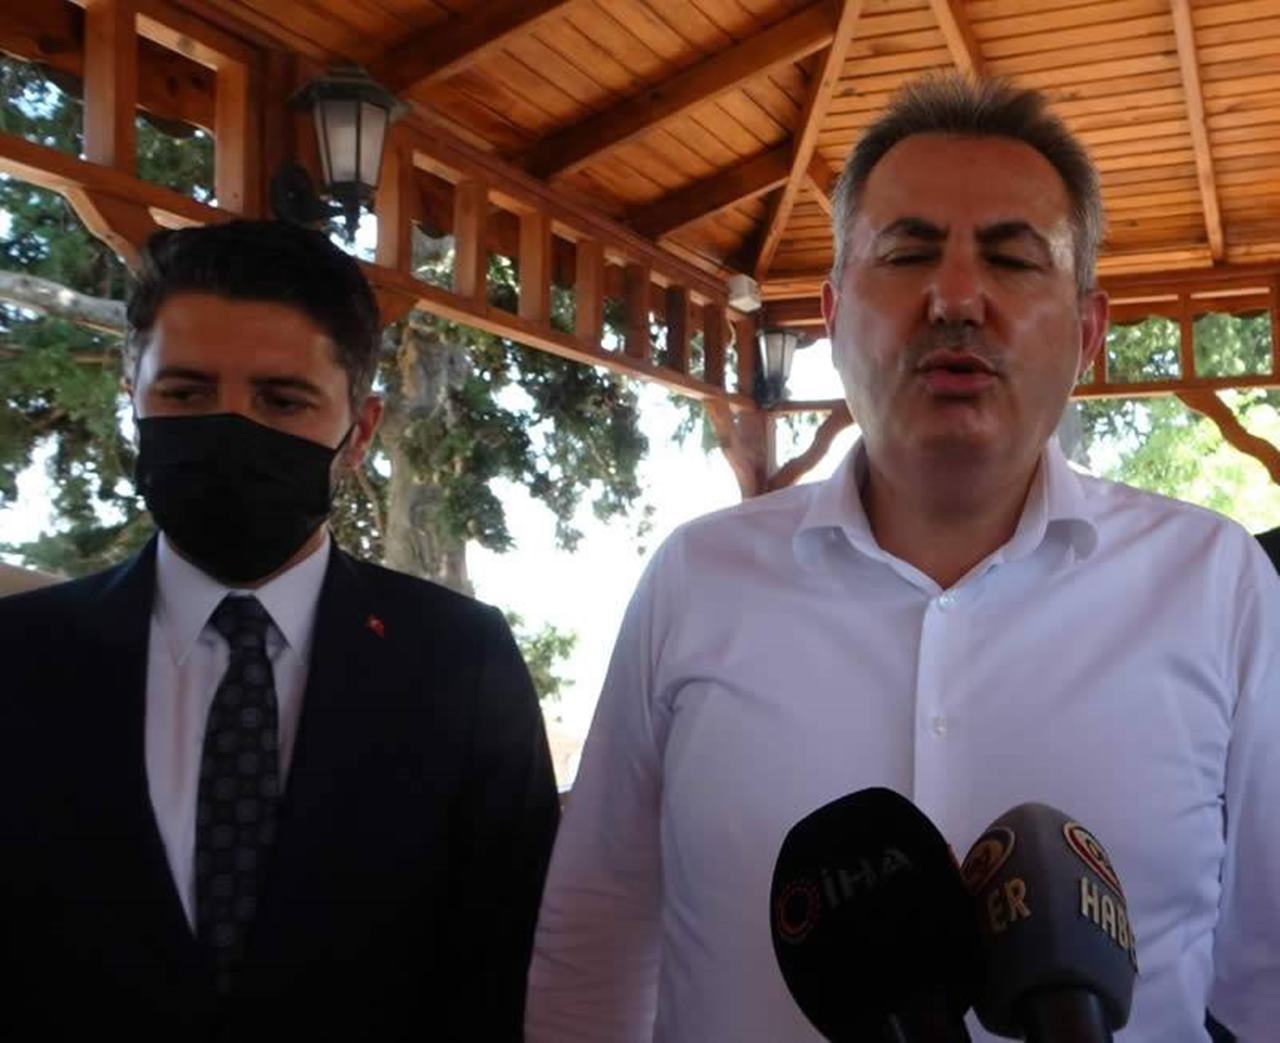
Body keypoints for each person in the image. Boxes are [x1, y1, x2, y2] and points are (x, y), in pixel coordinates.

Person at [525, 76, 1279, 1042]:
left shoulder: (1215, 584)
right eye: (909, 252)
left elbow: (1268, 975)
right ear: (834, 314)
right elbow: (596, 933)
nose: (956, 296)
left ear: (1088, 332)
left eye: (1012, 258)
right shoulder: (695, 580)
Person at [0, 220, 559, 1040]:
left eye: (282, 400)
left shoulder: (461, 662)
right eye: (185, 393)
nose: (229, 428)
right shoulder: (17, 658)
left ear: (359, 431)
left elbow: (508, 963)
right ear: (133, 397)